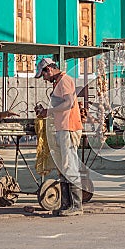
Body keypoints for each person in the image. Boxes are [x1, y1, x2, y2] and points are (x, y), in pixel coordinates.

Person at [34, 58, 83, 217]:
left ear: (49, 69)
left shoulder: (64, 80)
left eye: (43, 75)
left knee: (69, 167)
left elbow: (68, 104)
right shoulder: (58, 83)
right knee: (64, 168)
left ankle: (76, 205)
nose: (44, 79)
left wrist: (48, 111)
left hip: (69, 127)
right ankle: (66, 204)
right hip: (63, 127)